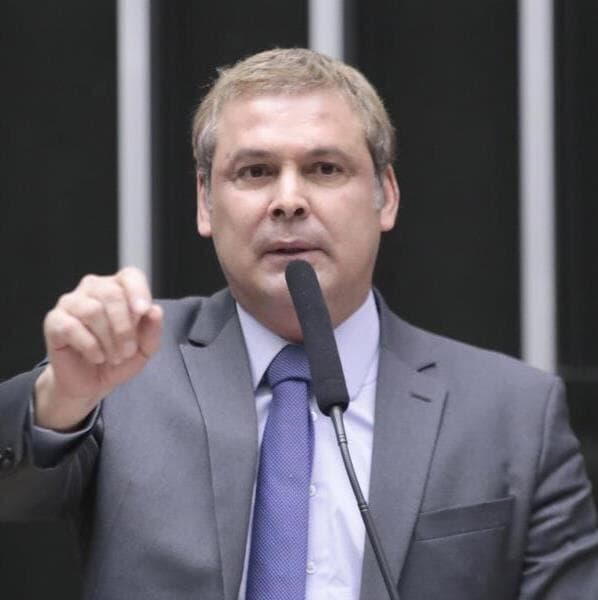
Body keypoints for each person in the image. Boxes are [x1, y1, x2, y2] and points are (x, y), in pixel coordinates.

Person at [0, 48, 597, 599]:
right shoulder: (128, 364)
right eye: (255, 171)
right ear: (206, 202)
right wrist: (64, 398)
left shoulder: (513, 414)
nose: (289, 200)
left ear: (386, 196)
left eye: (325, 169)